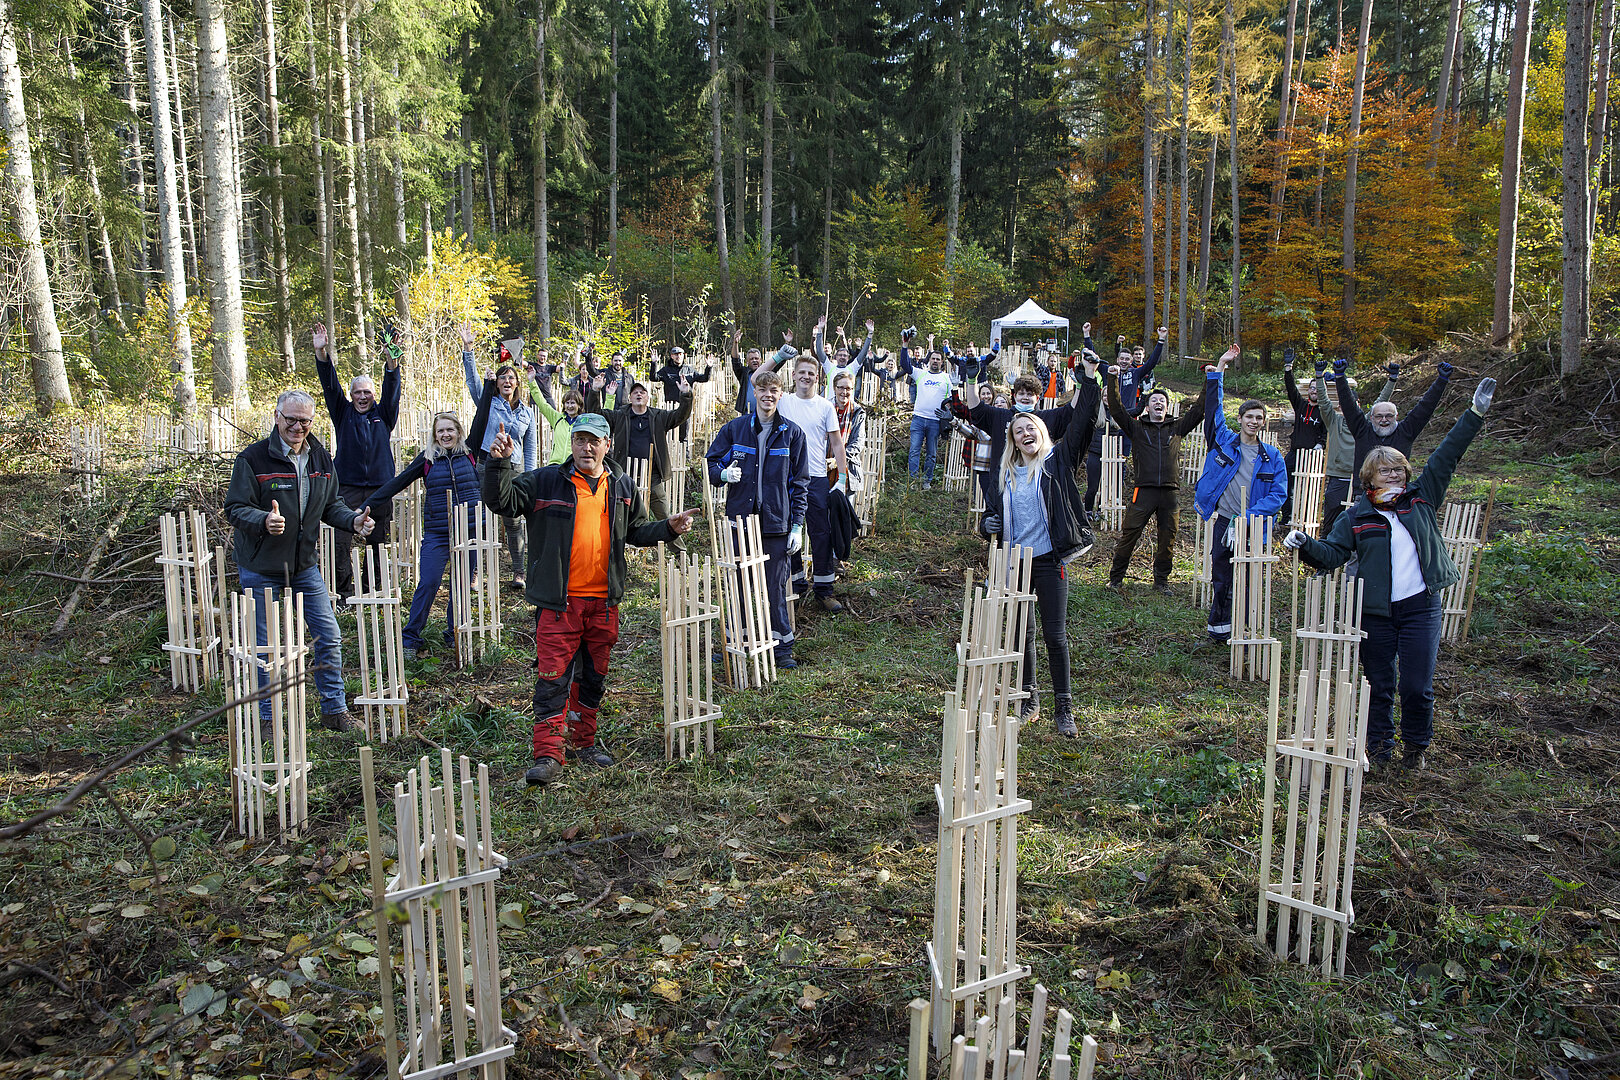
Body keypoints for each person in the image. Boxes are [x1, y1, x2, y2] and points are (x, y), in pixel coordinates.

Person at [1284, 378, 1496, 771]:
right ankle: (1379, 750)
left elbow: (1448, 454)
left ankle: (1415, 748)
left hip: (1420, 607)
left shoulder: (1422, 497)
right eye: (1386, 471)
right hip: (1376, 613)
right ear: (1369, 480)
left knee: (1417, 686)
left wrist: (1475, 412)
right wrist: (1306, 545)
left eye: (1399, 469)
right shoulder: (1357, 516)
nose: (1395, 476)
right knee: (1380, 686)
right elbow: (1332, 554)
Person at [484, 413, 700, 786]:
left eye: (594, 440)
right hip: (559, 603)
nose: (587, 447)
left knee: (593, 678)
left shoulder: (621, 485)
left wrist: (668, 528)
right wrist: (498, 463)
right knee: (553, 678)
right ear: (573, 443)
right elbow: (501, 500)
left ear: (606, 444)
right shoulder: (546, 480)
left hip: (603, 603)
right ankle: (549, 754)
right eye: (580, 439)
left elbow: (634, 531)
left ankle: (583, 742)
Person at [224, 389, 374, 733]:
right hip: (261, 565)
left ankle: (334, 710)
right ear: (276, 416)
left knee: (329, 635)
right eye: (290, 419)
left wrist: (352, 520)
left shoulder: (320, 457)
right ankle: (266, 717)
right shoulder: (253, 459)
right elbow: (235, 507)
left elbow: (331, 503)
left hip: (305, 565)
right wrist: (263, 520)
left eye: (304, 420)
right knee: (266, 644)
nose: (297, 426)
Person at [980, 374, 1099, 737]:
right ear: (1012, 441)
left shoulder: (1057, 462)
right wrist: (987, 524)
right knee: (1022, 635)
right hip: (1015, 563)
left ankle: (1064, 707)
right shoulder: (1003, 475)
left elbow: (1082, 425)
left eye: (1030, 429)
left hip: (1049, 561)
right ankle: (1030, 699)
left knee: (1055, 636)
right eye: (1019, 432)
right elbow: (990, 517)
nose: (1025, 435)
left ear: (1040, 432)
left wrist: (1090, 382)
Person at [706, 368, 810, 669]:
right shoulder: (735, 429)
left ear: (781, 395)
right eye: (762, 390)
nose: (767, 395)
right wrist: (723, 474)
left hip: (775, 524)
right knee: (737, 583)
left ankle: (780, 649)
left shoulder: (792, 434)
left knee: (774, 586)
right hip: (740, 520)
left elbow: (799, 483)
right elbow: (712, 463)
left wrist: (796, 526)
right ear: (755, 394)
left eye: (773, 390)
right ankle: (735, 643)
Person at [362, 413, 481, 661]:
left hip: (467, 532)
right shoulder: (427, 459)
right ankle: (410, 638)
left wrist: (490, 386)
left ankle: (454, 634)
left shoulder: (470, 452)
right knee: (428, 582)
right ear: (435, 435)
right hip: (437, 533)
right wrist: (367, 506)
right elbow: (398, 482)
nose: (446, 435)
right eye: (440, 431)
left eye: (450, 430)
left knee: (460, 587)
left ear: (459, 432)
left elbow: (482, 416)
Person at [1194, 347, 1288, 645]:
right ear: (1241, 418)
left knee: (1248, 581)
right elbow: (1213, 410)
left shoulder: (1272, 457)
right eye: (1249, 416)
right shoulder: (1223, 442)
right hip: (1224, 524)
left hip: (1253, 527)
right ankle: (1219, 631)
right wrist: (1220, 368)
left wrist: (1249, 517)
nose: (1254, 421)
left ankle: (1245, 630)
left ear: (1264, 422)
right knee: (1221, 577)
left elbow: (1279, 494)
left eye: (1259, 418)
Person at [313, 321, 400, 599]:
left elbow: (393, 386)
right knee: (341, 541)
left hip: (380, 488)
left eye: (367, 392)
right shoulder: (342, 413)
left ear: (373, 395)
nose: (362, 397)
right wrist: (322, 353)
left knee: (377, 542)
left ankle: (371, 590)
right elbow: (330, 386)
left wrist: (391, 360)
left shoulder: (384, 414)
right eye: (357, 393)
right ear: (350, 396)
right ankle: (344, 592)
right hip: (346, 487)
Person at [1105, 369, 1208, 593]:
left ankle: (1161, 581)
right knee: (1130, 533)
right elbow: (1117, 409)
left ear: (1167, 407)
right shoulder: (1137, 428)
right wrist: (1113, 378)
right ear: (1148, 407)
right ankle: (1115, 579)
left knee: (1168, 537)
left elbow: (1200, 410)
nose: (1158, 403)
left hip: (1170, 493)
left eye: (1162, 400)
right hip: (1144, 491)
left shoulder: (1178, 427)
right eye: (1154, 400)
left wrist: (1209, 380)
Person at [461, 325, 537, 590]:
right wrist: (468, 350)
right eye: (502, 378)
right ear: (498, 382)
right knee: (479, 521)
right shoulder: (488, 403)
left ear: (517, 384)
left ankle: (519, 572)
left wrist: (530, 475)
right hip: (485, 467)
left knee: (513, 522)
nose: (507, 381)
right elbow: (472, 381)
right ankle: (473, 573)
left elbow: (529, 447)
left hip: (514, 470)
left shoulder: (527, 413)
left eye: (511, 378)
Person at [776, 351, 850, 611]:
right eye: (802, 372)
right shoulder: (782, 402)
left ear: (817, 378)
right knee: (788, 533)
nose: (806, 377)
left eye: (811, 373)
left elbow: (837, 444)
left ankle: (823, 590)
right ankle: (796, 586)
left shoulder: (825, 406)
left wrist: (841, 478)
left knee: (821, 534)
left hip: (816, 478)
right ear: (793, 375)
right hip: (787, 479)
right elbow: (755, 381)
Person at [589, 376, 694, 550]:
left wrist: (686, 394)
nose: (638, 394)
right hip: (625, 476)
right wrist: (595, 391)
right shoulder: (620, 416)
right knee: (618, 513)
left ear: (647, 397)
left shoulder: (658, 416)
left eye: (642, 392)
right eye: (635, 392)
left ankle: (679, 551)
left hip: (652, 476)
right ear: (629, 398)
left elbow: (680, 416)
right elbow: (596, 416)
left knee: (663, 513)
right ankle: (614, 548)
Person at [1334, 358, 1453, 478]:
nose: (1384, 420)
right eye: (1379, 416)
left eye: (1389, 416)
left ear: (1396, 416)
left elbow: (1425, 407)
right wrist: (1340, 377)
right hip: (1364, 492)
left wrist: (1441, 380)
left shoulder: (1406, 432)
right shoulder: (1362, 431)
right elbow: (1349, 406)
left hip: (1398, 490)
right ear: (1372, 418)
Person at [1315, 357, 1392, 536]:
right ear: (1341, 406)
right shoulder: (1333, 420)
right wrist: (1319, 378)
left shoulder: (1365, 424)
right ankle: (1327, 555)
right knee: (1331, 519)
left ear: (1357, 405)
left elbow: (1381, 402)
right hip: (1338, 478)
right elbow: (1323, 401)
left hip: (1362, 481)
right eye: (1344, 405)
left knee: (1361, 522)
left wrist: (1392, 381)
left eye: (1352, 404)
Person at [899, 332, 960, 488]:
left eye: (938, 359)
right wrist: (905, 345)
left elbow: (952, 400)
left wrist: (949, 412)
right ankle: (913, 481)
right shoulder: (921, 374)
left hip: (935, 421)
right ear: (929, 360)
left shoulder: (946, 378)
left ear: (942, 362)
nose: (935, 361)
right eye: (933, 358)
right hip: (918, 419)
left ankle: (927, 481)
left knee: (931, 454)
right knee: (914, 451)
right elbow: (905, 365)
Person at [1280, 347, 1326, 526]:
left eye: (1317, 388)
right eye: (1311, 388)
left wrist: (1320, 445)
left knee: (1307, 488)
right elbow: (1291, 388)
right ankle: (1286, 517)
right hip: (1295, 453)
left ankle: (1305, 518)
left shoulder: (1324, 411)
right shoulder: (1301, 405)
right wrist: (1288, 368)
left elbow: (1326, 432)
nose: (1314, 391)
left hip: (1312, 456)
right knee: (1285, 484)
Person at [653, 346, 712, 439]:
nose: (678, 356)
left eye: (680, 354)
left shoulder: (689, 370)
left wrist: (709, 367)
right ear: (672, 356)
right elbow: (654, 378)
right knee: (670, 436)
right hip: (671, 408)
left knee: (684, 436)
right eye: (676, 354)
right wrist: (654, 363)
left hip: (685, 408)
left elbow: (704, 378)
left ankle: (685, 452)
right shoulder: (666, 370)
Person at [815, 317, 873, 396]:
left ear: (848, 358)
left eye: (845, 355)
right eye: (840, 355)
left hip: (848, 407)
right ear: (836, 357)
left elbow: (863, 354)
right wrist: (819, 330)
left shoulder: (852, 368)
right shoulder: (830, 368)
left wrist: (870, 334)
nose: (842, 357)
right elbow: (820, 352)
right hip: (832, 407)